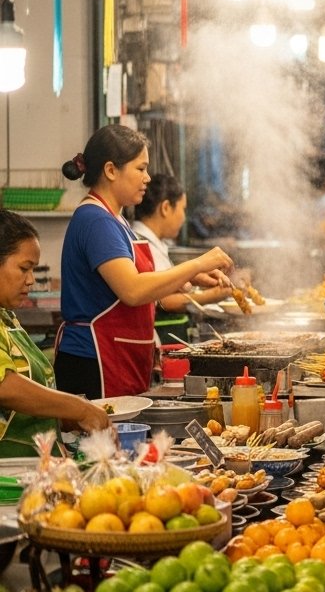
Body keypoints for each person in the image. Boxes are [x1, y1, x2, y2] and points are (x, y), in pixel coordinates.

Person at [55, 125, 233, 399]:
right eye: (140, 168)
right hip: (95, 360)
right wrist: (197, 264)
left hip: (118, 355)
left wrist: (190, 278)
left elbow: (140, 284)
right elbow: (133, 289)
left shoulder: (116, 220)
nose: (147, 178)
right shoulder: (96, 220)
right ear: (111, 170)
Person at [0, 211, 110, 455]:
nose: (31, 280)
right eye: (24, 268)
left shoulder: (7, 318)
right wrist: (78, 408)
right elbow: (5, 387)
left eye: (33, 270)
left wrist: (64, 418)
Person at [131, 174, 232, 317]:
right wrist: (212, 295)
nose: (184, 217)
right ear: (165, 208)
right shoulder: (142, 244)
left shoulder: (155, 242)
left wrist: (193, 277)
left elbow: (166, 284)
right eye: (183, 208)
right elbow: (162, 300)